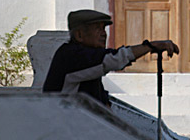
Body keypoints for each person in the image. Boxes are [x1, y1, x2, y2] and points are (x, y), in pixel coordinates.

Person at [43, 9, 179, 106]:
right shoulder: (72, 55)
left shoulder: (87, 58)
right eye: (98, 28)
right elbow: (114, 59)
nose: (103, 34)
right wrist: (151, 46)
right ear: (79, 35)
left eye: (104, 29)